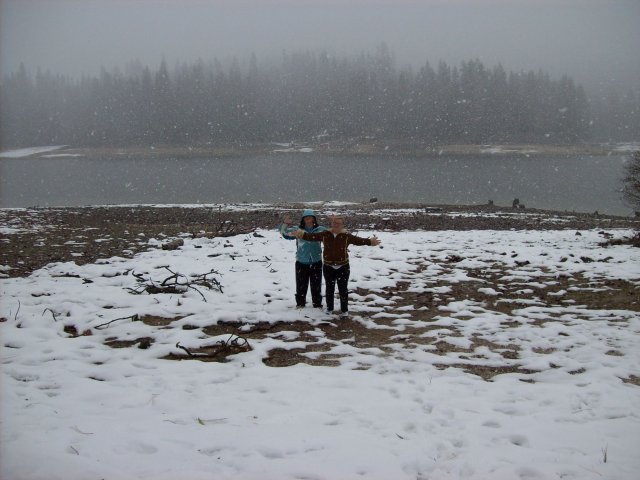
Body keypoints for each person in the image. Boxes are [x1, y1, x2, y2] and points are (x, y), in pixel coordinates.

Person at [291, 215, 381, 318]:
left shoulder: (346, 235)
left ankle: (344, 310)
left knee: (343, 290)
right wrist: (300, 234)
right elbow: (311, 237)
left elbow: (359, 241)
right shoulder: (325, 234)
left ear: (342, 225)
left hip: (343, 267)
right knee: (329, 289)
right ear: (332, 224)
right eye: (334, 223)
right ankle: (330, 308)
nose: (336, 225)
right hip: (328, 267)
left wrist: (370, 242)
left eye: (338, 223)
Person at [279, 209, 328, 309]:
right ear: (303, 219)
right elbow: (284, 233)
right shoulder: (298, 230)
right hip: (301, 261)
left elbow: (332, 237)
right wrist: (284, 224)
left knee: (316, 285)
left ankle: (317, 304)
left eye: (310, 218)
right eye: (306, 218)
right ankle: (300, 304)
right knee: (301, 285)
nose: (308, 220)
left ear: (314, 219)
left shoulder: (320, 229)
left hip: (316, 261)